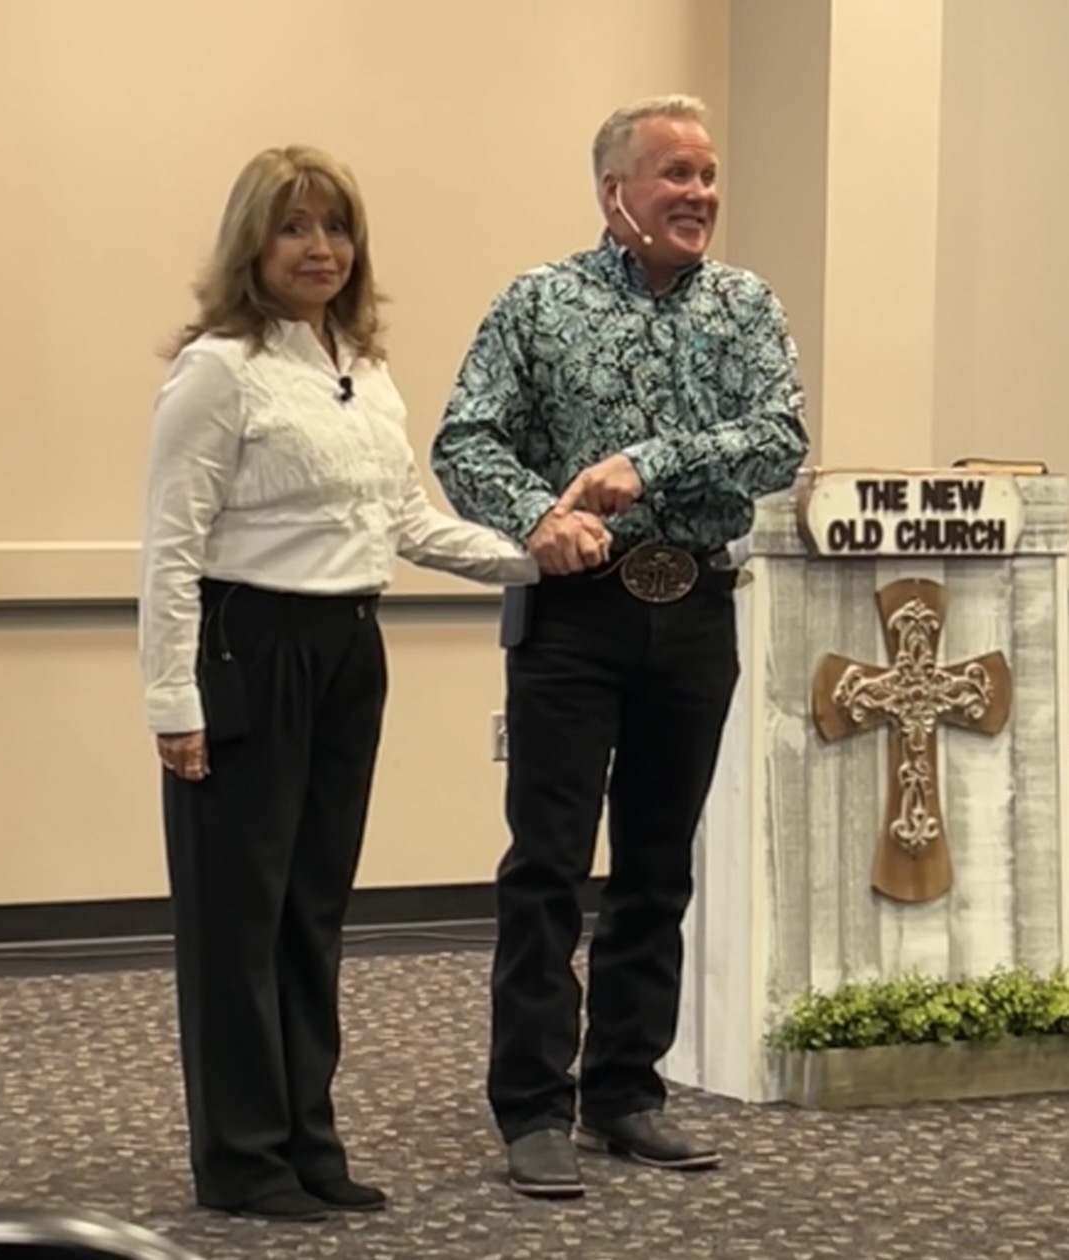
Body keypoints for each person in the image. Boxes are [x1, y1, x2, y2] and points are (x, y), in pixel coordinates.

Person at [137, 144, 605, 1223]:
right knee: (237, 920)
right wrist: (173, 703)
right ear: (252, 243)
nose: (321, 249)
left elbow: (404, 523)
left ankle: (308, 1139)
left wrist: (534, 554)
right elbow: (170, 548)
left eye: (337, 227)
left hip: (349, 650)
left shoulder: (361, 368)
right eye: (295, 227)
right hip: (247, 646)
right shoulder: (219, 369)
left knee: (312, 909)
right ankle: (242, 1157)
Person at [430, 94, 809, 1198]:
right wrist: (536, 518)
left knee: (656, 867)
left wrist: (651, 462)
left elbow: (780, 439)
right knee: (547, 866)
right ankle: (531, 1107)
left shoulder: (744, 305)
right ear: (615, 192)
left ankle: (625, 1094)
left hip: (693, 610)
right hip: (576, 616)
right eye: (674, 174)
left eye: (707, 174)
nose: (699, 193)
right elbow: (464, 439)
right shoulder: (539, 302)